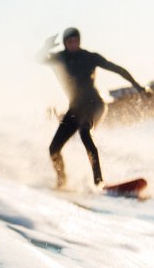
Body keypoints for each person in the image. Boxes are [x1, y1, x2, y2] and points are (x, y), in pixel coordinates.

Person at [40, 27, 148, 188]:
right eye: (69, 41)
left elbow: (118, 69)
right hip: (75, 109)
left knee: (85, 132)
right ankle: (62, 182)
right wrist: (46, 47)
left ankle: (99, 182)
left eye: (76, 40)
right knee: (53, 149)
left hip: (95, 104)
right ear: (64, 43)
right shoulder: (60, 58)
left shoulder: (89, 57)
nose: (73, 44)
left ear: (79, 41)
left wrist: (138, 86)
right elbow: (40, 58)